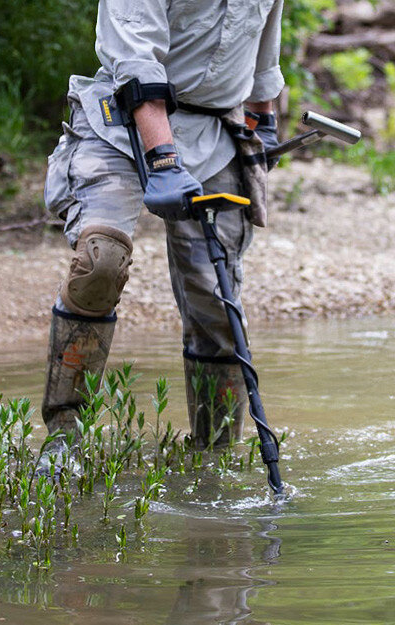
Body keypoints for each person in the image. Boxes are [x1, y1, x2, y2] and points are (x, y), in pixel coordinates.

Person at [41, 0, 285, 465]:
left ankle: (213, 458)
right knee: (101, 262)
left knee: (218, 300)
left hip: (213, 134)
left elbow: (262, 59)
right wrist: (165, 162)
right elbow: (137, 66)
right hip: (121, 122)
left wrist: (262, 121)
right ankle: (62, 440)